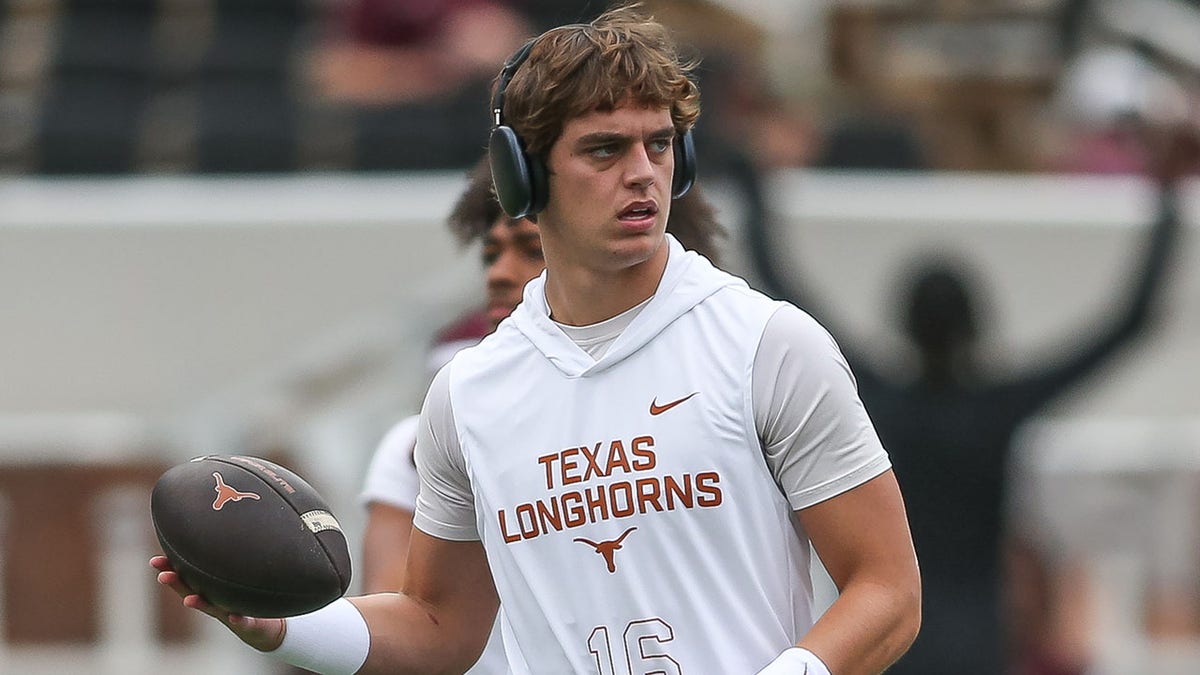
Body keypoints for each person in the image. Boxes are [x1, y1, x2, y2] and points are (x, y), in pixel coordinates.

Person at [152, 6, 921, 674]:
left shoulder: (769, 344)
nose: (643, 174)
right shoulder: (469, 393)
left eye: (659, 145)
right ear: (523, 175)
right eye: (604, 149)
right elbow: (436, 624)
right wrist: (279, 626)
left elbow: (888, 589)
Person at [744, 119, 1194, 674]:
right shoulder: (997, 411)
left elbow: (783, 287)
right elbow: (1127, 324)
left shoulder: (879, 400)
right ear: (976, 326)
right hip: (980, 636)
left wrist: (755, 188)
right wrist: (1167, 204)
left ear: (905, 324)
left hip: (897, 631)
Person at [358, 156, 727, 673]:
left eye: (530, 250)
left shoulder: (734, 383)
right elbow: (410, 621)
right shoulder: (430, 434)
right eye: (490, 254)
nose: (500, 276)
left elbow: (874, 583)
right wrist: (282, 622)